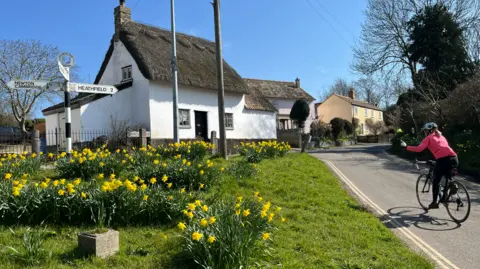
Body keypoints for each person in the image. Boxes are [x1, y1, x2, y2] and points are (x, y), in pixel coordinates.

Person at [400, 123, 458, 209]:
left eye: (426, 130)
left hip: (443, 160)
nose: (425, 132)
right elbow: (442, 148)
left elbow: (419, 149)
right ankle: (450, 188)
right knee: (448, 177)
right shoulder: (442, 137)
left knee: (436, 181)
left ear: (429, 130)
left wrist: (406, 147)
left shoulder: (428, 138)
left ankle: (434, 203)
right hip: (454, 158)